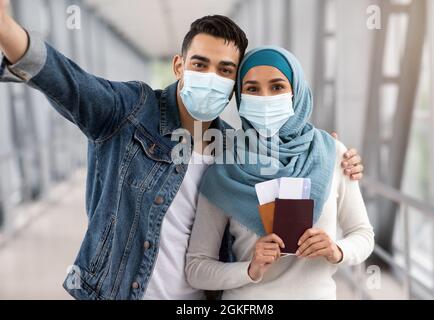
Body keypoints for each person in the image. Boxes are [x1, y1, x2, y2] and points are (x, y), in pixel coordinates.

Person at [0, 0, 364, 300]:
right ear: (179, 66)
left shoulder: (235, 151)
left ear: (234, 85)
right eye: (200, 64)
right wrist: (7, 30)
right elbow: (69, 83)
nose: (211, 77)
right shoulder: (129, 111)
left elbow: (291, 161)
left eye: (225, 70)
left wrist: (329, 152)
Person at [186, 47, 375, 300]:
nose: (265, 98)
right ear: (240, 97)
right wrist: (249, 270)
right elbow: (196, 268)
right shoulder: (225, 169)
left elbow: (363, 234)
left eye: (277, 87)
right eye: (252, 89)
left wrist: (336, 249)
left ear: (296, 91)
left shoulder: (332, 154)